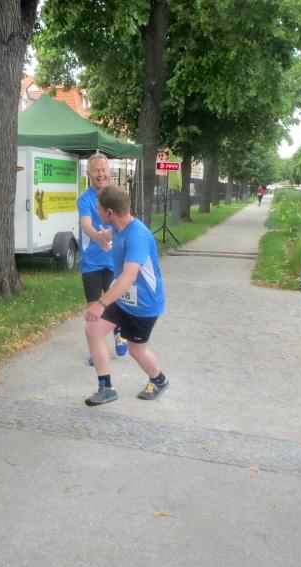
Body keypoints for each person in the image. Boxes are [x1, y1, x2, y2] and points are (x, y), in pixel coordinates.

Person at [83, 185, 167, 406]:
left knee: (136, 350)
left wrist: (101, 303)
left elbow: (129, 276)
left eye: (99, 209)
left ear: (110, 212)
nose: (97, 212)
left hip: (144, 304)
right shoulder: (120, 227)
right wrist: (103, 235)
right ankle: (106, 388)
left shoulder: (138, 236)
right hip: (123, 298)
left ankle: (159, 380)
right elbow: (115, 234)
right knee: (93, 330)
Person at [78, 153, 127, 363]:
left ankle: (120, 332)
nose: (100, 174)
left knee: (115, 302)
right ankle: (96, 349)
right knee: (93, 308)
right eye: (96, 170)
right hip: (91, 262)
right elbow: (85, 224)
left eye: (103, 170)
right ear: (89, 174)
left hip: (114, 260)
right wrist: (97, 237)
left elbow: (126, 223)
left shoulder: (116, 196)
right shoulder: (85, 199)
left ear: (109, 172)